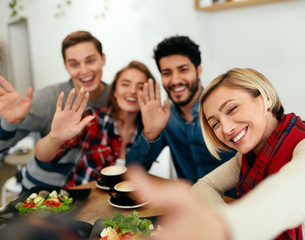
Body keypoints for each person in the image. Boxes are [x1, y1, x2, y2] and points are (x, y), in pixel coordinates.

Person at [126, 68, 305, 240]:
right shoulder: (246, 157)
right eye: (214, 123)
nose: (226, 129)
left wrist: (221, 226)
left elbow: (289, 194)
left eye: (233, 108)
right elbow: (202, 186)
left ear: (265, 98)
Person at [0, 30, 109, 190]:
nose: (84, 70)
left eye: (90, 60)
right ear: (66, 67)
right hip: (43, 193)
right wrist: (10, 123)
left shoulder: (116, 98)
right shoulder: (48, 99)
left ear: (103, 59)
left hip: (93, 194)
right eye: (74, 64)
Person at [126, 35, 235, 184]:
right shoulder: (165, 118)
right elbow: (133, 171)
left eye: (183, 70)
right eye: (167, 73)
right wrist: (150, 133)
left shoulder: (225, 109)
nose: (175, 80)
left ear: (199, 70)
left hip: (234, 204)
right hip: (189, 204)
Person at [35, 61, 155, 188]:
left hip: (120, 205)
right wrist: (54, 138)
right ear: (114, 91)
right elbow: (43, 157)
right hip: (79, 202)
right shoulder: (93, 118)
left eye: (141, 87)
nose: (132, 91)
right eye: (125, 84)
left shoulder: (148, 133)